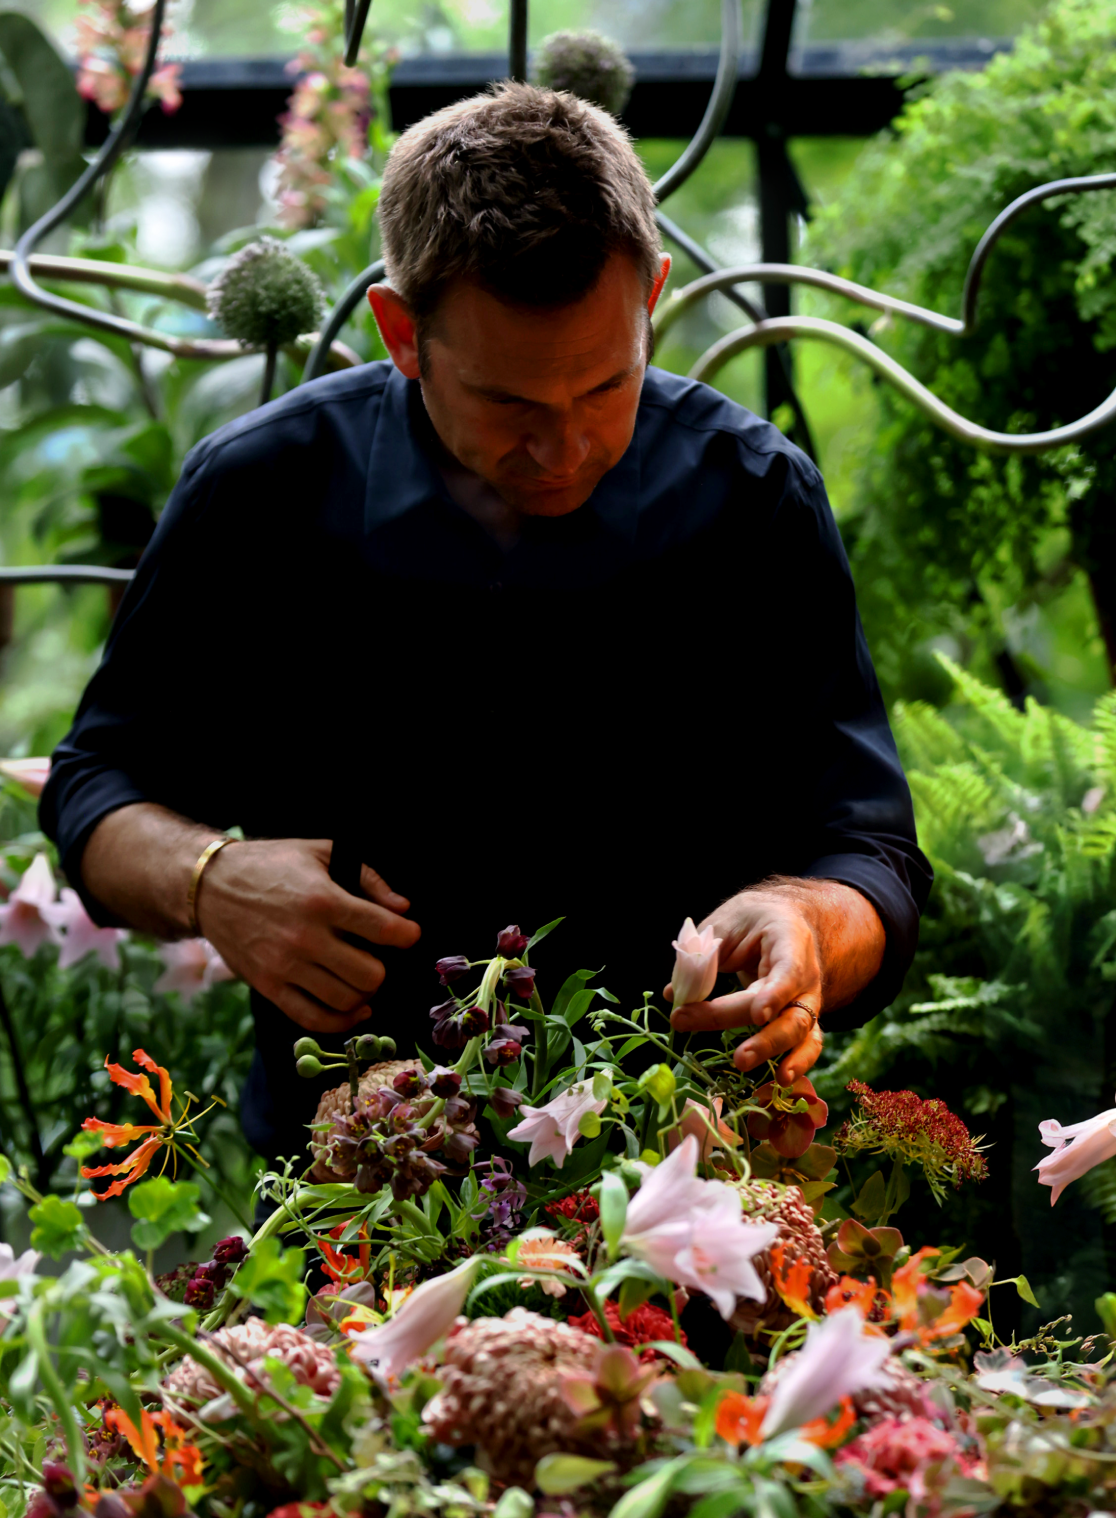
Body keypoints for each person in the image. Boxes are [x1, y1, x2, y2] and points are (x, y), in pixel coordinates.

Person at [40, 82, 931, 1166]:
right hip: (347, 1183)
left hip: (683, 1175)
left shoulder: (753, 500)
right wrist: (209, 878)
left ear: (652, 296)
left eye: (606, 387)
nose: (564, 449)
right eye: (509, 403)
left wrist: (811, 923)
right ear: (401, 333)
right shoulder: (260, 492)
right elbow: (95, 789)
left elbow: (871, 851)